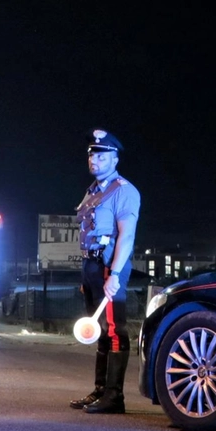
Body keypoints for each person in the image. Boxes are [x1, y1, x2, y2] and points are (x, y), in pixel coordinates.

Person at [69, 128, 142, 415]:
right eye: (91, 154)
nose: (94, 160)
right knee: (98, 329)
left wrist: (114, 274)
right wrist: (85, 276)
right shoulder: (92, 192)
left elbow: (126, 236)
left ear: (114, 158)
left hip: (109, 266)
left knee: (114, 329)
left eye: (100, 154)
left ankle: (114, 397)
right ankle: (100, 390)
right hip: (91, 265)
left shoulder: (124, 191)